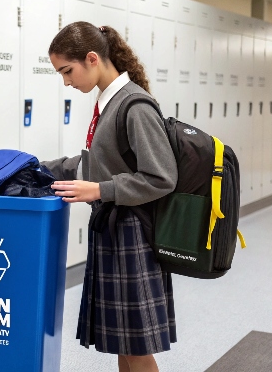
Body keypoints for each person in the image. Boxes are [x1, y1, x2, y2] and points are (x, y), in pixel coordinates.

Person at [41, 21, 178, 372]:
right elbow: (96, 162)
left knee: (136, 348)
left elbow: (161, 177)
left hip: (135, 235)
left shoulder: (135, 105)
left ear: (92, 58)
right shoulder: (109, 102)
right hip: (115, 230)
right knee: (123, 342)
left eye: (67, 71)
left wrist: (101, 190)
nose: (67, 82)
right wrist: (37, 167)